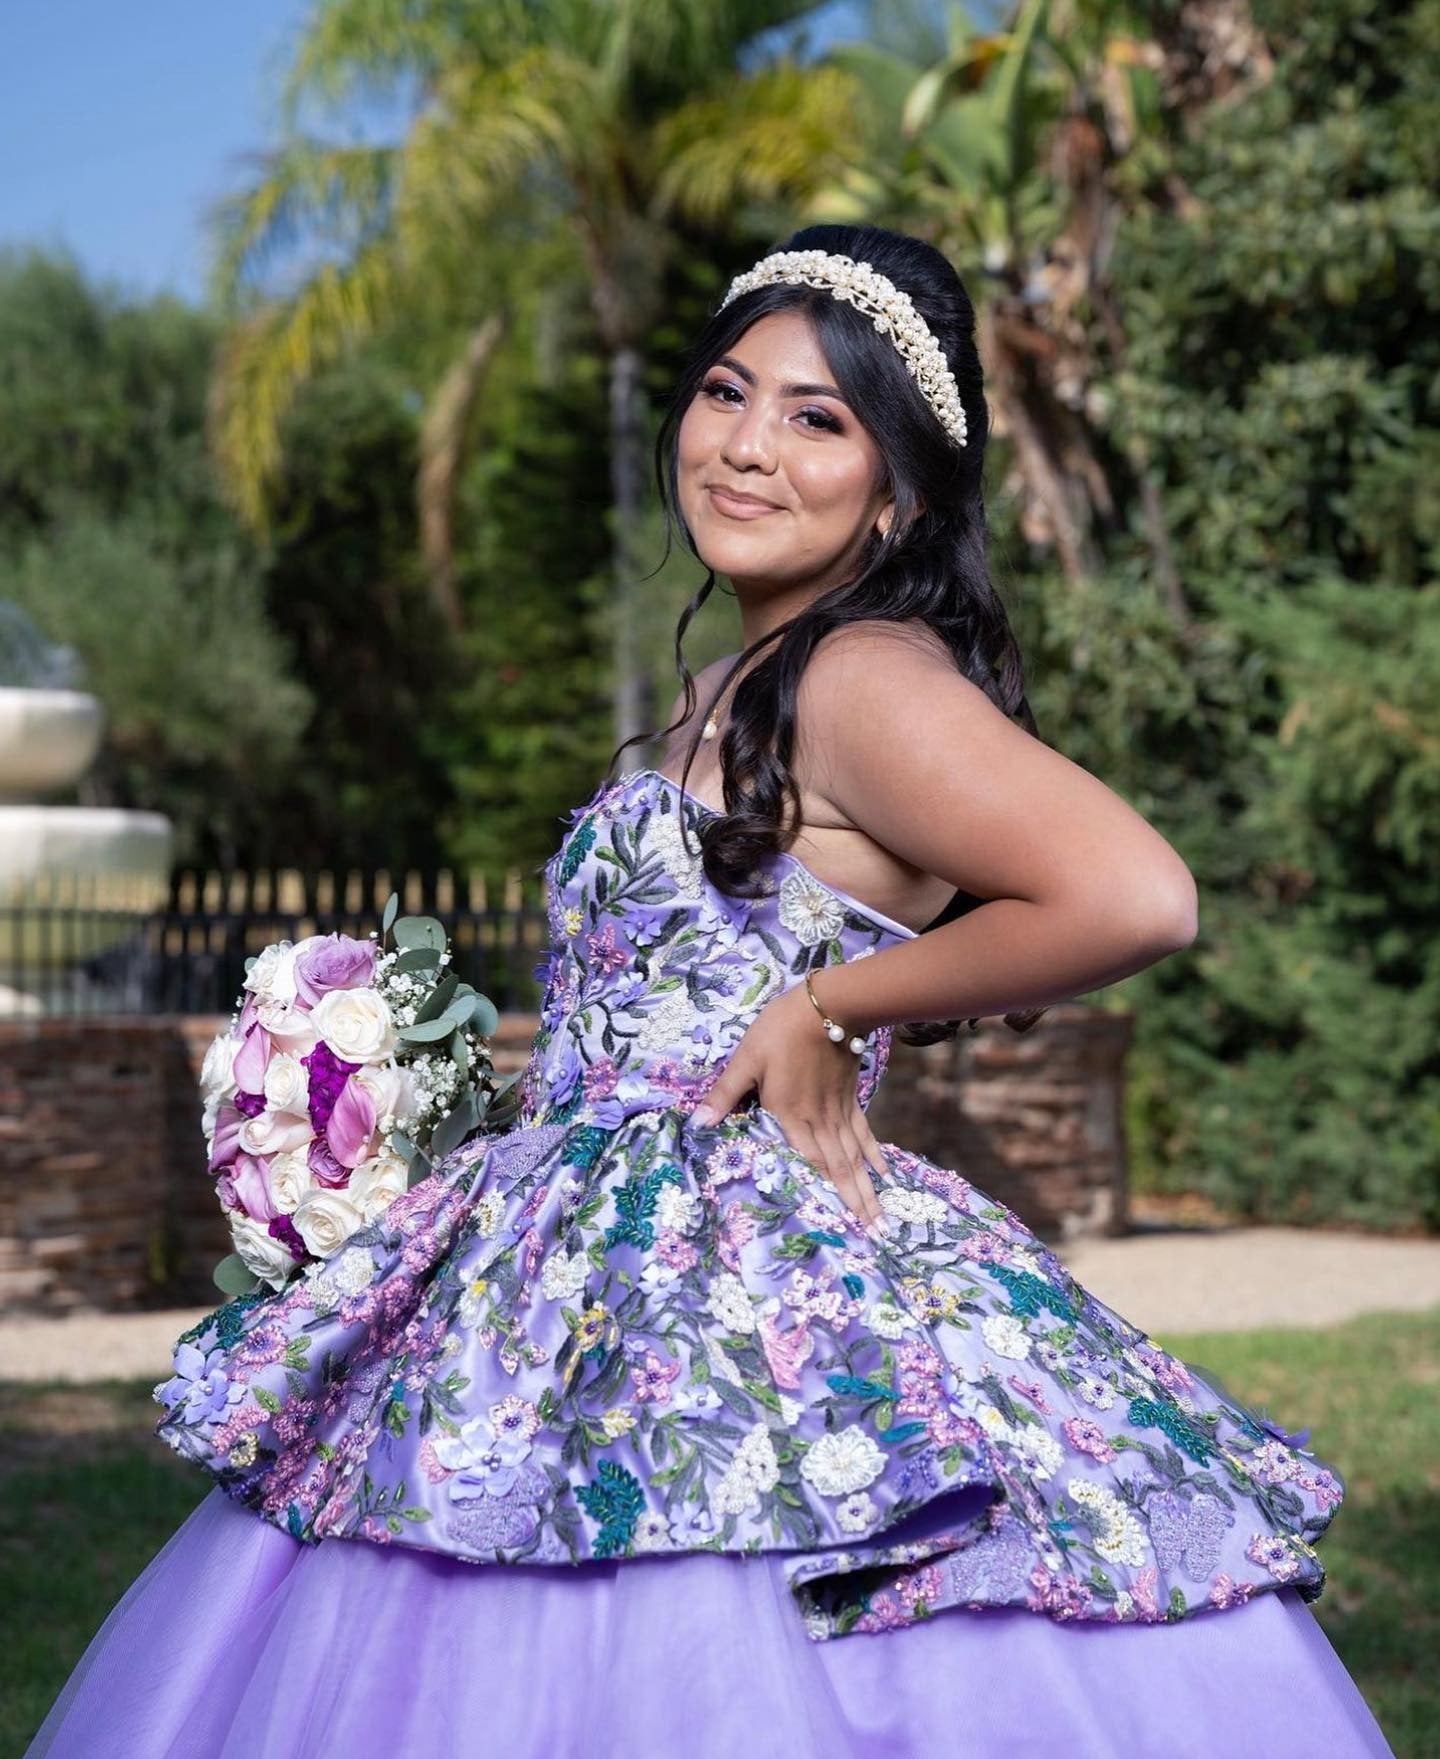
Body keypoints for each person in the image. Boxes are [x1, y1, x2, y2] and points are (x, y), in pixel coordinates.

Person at [22, 223, 1396, 1759]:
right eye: (727, 393)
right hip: (563, 1259)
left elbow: (1137, 892)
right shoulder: (740, 677)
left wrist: (826, 1009)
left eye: (818, 419)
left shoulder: (861, 677)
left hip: (741, 1284)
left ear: (908, 487)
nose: (747, 447)